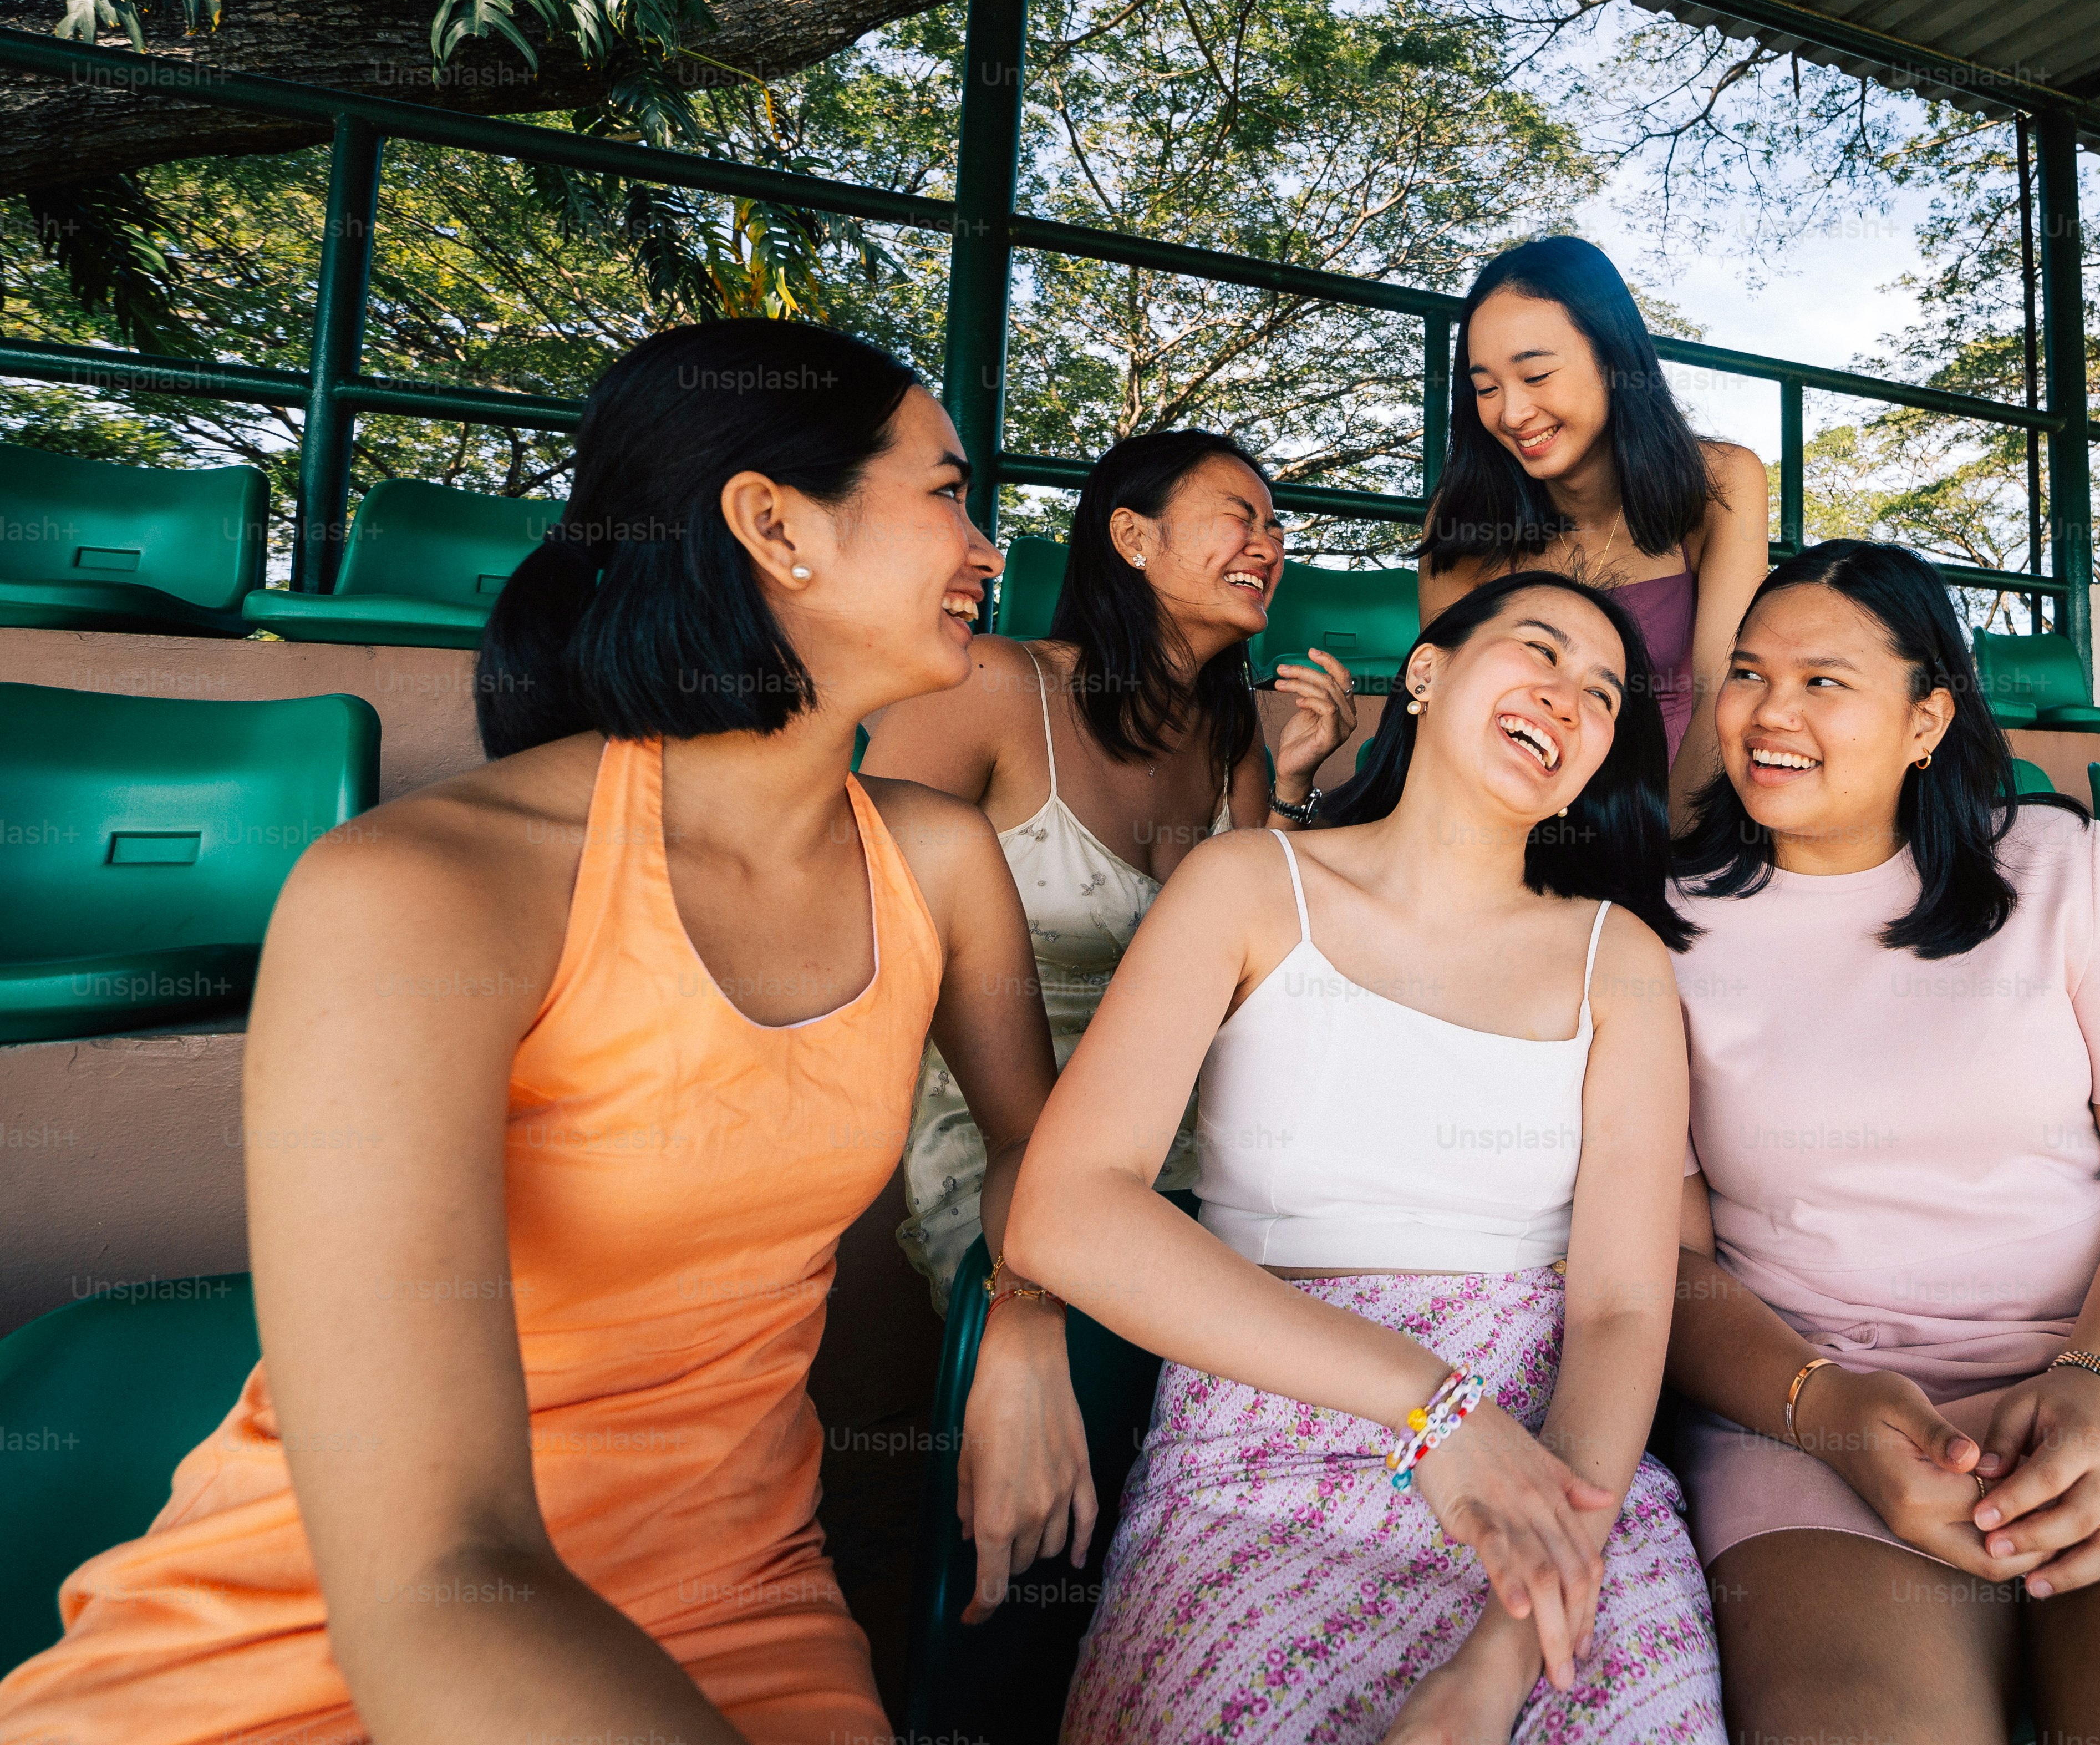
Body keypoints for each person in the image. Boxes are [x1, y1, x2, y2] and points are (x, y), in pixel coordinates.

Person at [0, 321, 1081, 1745]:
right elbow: (435, 1578)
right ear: (774, 525)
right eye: (947, 492)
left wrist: (1025, 1324)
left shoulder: (935, 859)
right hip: (343, 1631)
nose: (988, 545)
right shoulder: (423, 890)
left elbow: (1037, 1152)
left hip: (737, 1599)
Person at [1000, 572, 1726, 1743]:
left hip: (1556, 1454)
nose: (1570, 699)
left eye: (1604, 697)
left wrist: (1503, 1654)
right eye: (1538, 652)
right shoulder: (1248, 885)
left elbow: (1624, 1310)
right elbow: (1066, 1214)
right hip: (1264, 1441)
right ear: (1427, 677)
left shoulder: (1619, 959)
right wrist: (1433, 1410)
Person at [1660, 541, 2100, 1745]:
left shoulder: (2062, 870)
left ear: (1928, 717)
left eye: (1824, 680)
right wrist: (1825, 1407)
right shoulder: (1662, 925)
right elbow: (1662, 1266)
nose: (1771, 712)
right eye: (1746, 674)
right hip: (1812, 1400)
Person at [862, 429, 1355, 1302]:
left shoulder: (1233, 734)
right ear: (1133, 538)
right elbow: (863, 908)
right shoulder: (992, 687)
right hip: (1003, 1136)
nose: (1270, 546)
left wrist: (1293, 788)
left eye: (1278, 528)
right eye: (1240, 518)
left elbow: (1257, 975)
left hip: (1190, 1128)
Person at [1417, 237, 1767, 816]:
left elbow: (1720, 697)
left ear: (1612, 361)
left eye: (1536, 375)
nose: (1511, 413)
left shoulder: (1722, 484)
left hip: (1679, 821)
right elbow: (1446, 720)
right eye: (1485, 389)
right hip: (1510, 824)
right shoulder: (1463, 520)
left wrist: (1666, 862)